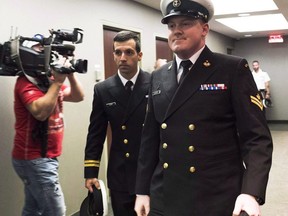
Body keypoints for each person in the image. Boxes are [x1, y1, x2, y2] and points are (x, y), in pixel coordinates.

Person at [134, 0, 273, 216]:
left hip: (215, 195)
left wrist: (251, 192)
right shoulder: (158, 76)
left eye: (186, 23)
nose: (176, 31)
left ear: (204, 29)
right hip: (165, 194)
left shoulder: (231, 68)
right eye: (171, 26)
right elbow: (150, 138)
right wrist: (142, 190)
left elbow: (256, 138)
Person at [12, 34, 85, 216]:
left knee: (33, 208)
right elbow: (40, 112)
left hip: (46, 157)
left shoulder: (50, 82)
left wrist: (70, 73)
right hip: (33, 158)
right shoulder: (25, 83)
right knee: (55, 211)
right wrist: (59, 82)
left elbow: (78, 96)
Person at [84, 31, 151, 216]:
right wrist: (91, 171)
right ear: (113, 55)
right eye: (118, 52)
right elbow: (96, 133)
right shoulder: (103, 89)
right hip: (120, 171)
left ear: (139, 55)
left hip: (151, 170)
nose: (123, 58)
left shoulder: (155, 83)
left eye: (129, 52)